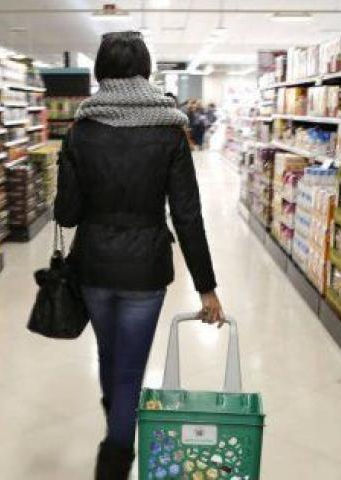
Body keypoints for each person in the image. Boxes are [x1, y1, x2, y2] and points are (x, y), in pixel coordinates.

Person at [54, 31, 223, 480]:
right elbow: (187, 216)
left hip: (93, 264)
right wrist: (206, 287)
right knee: (129, 369)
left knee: (109, 357)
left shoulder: (80, 130)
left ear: (100, 71)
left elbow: (66, 214)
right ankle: (114, 460)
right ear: (145, 70)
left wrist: (69, 167)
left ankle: (117, 427)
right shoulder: (169, 131)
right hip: (146, 269)